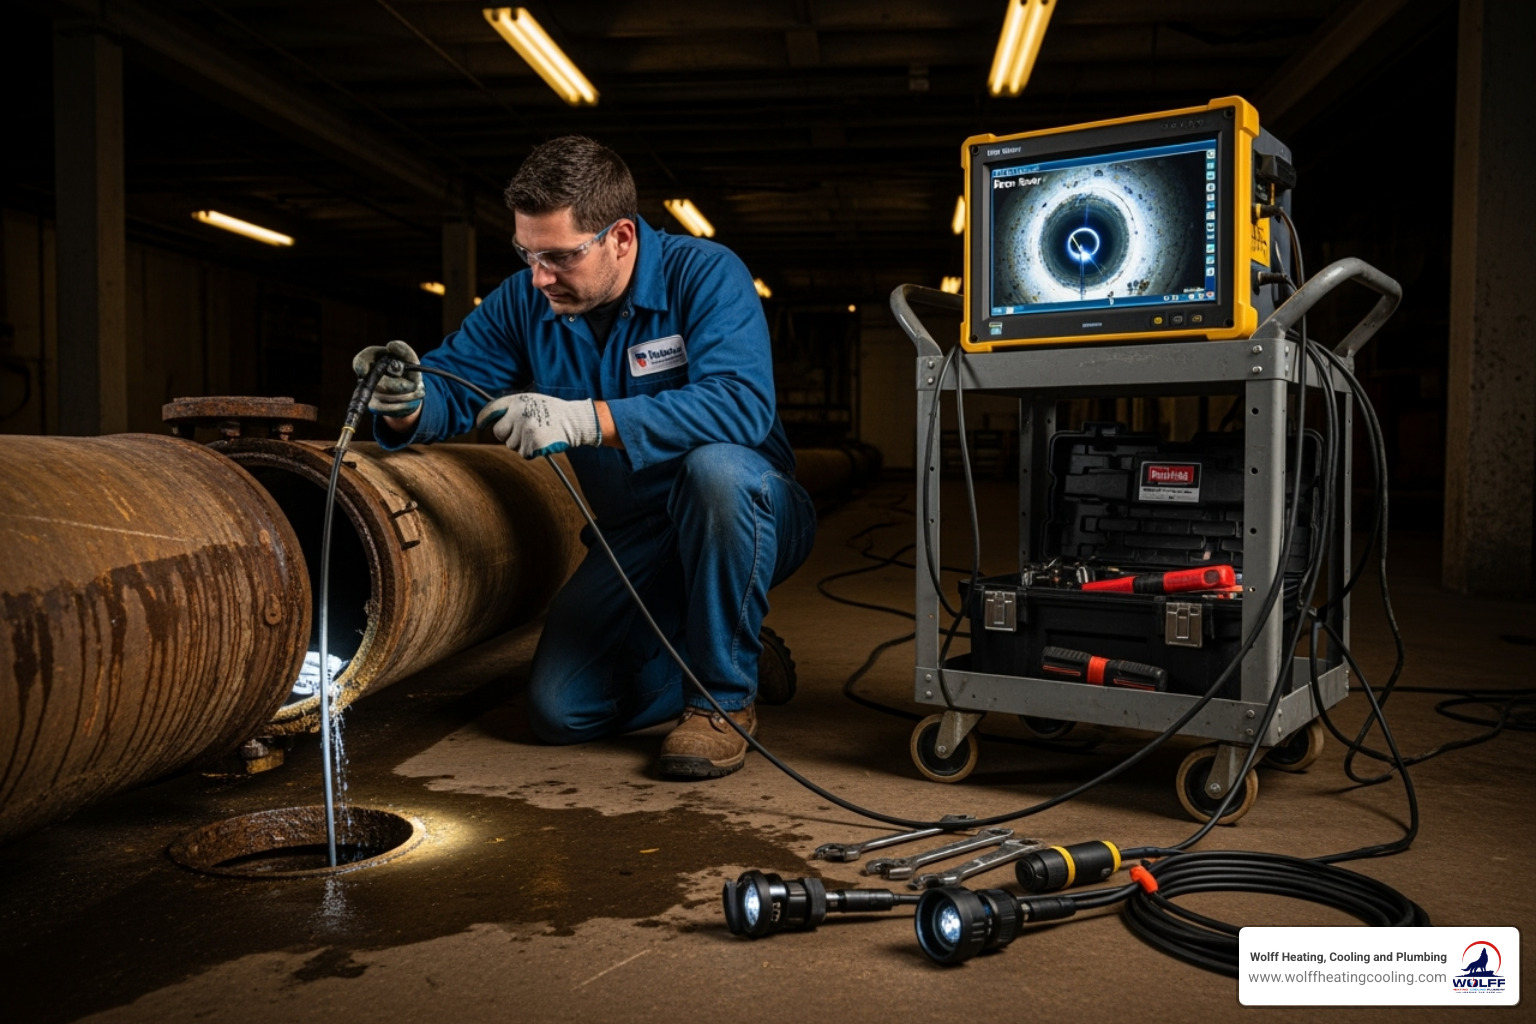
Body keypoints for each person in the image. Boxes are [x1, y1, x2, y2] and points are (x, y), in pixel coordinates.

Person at [352, 135, 816, 779]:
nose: (540, 276)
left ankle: (722, 701)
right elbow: (453, 388)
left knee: (716, 473)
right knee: (558, 711)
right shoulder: (525, 301)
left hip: (746, 513)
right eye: (527, 253)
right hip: (635, 535)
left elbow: (740, 405)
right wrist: (405, 401)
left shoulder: (704, 274)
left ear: (620, 238)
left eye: (560, 257)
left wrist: (583, 418)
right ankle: (730, 648)